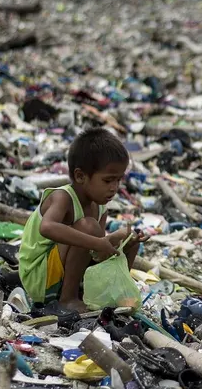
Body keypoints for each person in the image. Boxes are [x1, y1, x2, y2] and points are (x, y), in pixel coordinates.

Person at [19, 128, 148, 312]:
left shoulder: (101, 207)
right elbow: (47, 227)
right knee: (88, 227)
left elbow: (95, 253)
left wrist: (119, 241)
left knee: (129, 239)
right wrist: (99, 242)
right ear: (80, 176)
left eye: (118, 180)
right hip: (39, 278)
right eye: (108, 180)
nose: (114, 188)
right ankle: (67, 299)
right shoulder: (62, 198)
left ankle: (115, 293)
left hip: (62, 274)